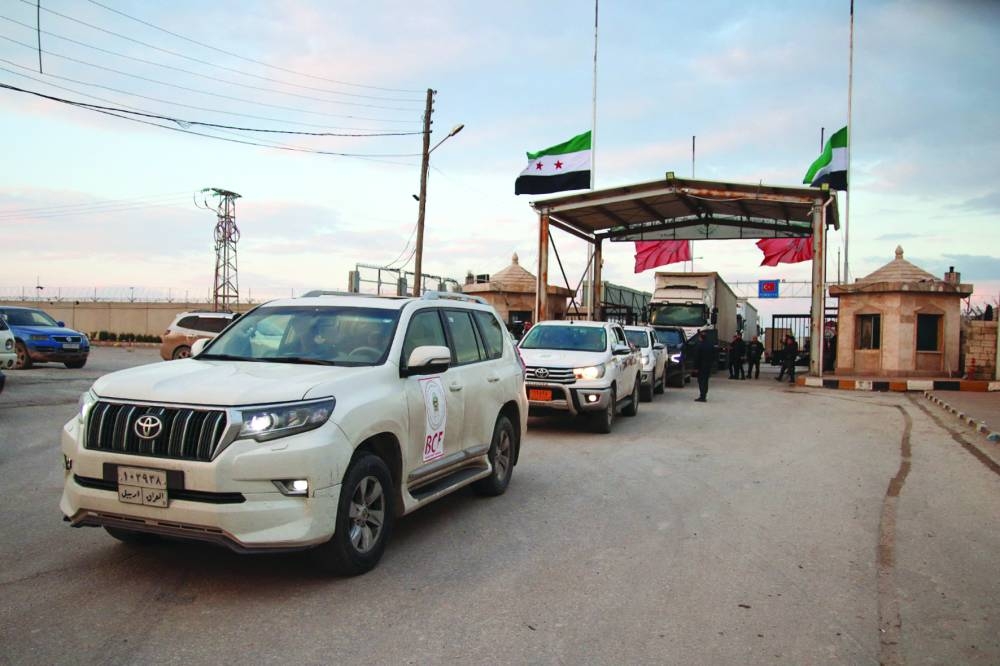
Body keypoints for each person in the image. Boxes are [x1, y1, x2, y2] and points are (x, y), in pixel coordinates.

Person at [692, 329, 715, 402]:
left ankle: (702, 396)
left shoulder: (699, 345)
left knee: (701, 381)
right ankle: (704, 395)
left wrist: (695, 367)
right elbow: (714, 356)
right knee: (705, 380)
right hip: (708, 366)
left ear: (700, 337)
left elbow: (697, 357)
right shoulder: (710, 345)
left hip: (701, 367)